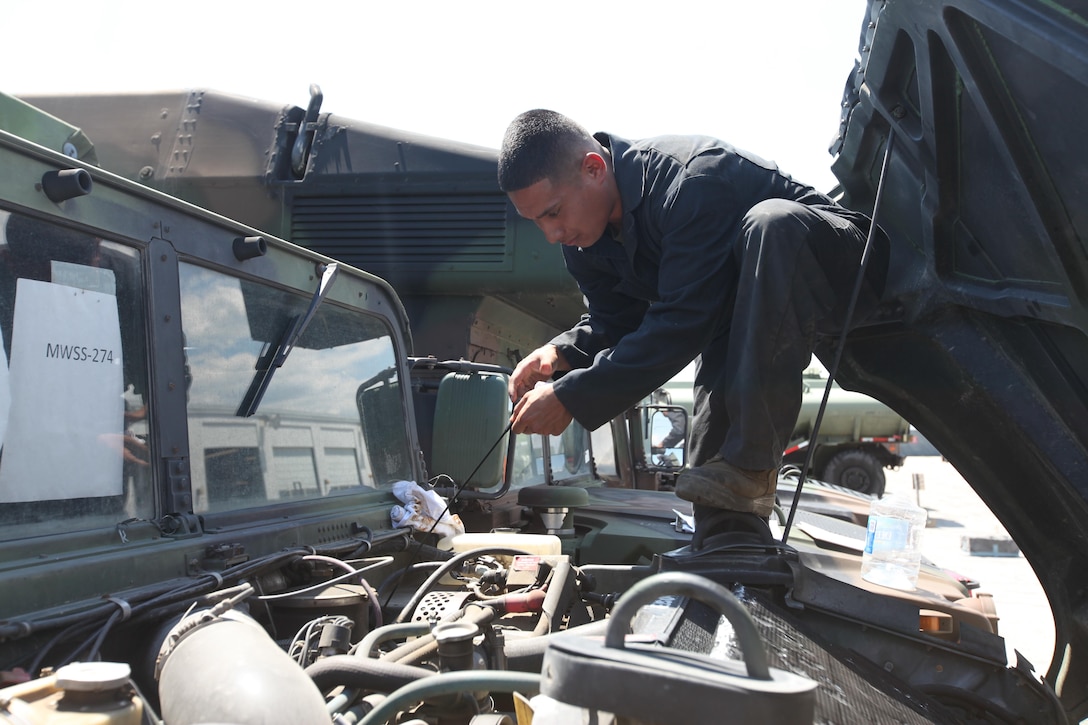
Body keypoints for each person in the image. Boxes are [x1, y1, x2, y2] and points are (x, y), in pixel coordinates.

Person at [498, 109, 887, 536]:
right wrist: (563, 352)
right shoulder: (584, 239)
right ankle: (732, 552)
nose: (551, 234)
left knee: (771, 224)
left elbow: (682, 324)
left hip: (848, 269)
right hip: (741, 307)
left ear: (594, 168)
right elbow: (618, 320)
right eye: (536, 221)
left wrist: (572, 396)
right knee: (709, 484)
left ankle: (752, 465)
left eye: (553, 213)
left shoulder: (691, 183)